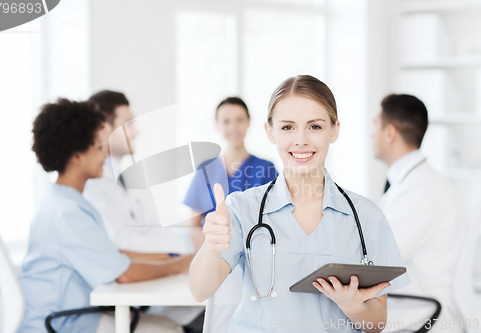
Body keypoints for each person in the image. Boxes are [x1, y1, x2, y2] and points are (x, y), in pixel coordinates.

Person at [189, 75, 411, 333]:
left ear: (334, 130)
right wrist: (212, 247)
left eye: (315, 126)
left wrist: (355, 308)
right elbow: (199, 291)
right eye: (287, 127)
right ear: (269, 132)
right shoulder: (242, 209)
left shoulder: (366, 217)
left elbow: (377, 322)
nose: (301, 140)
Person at [18, 98, 193, 333]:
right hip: (64, 321)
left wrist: (170, 257)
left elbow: (113, 255)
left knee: (168, 324)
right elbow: (125, 273)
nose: (104, 155)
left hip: (71, 313)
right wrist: (178, 264)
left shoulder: (65, 200)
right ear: (76, 156)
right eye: (99, 147)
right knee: (170, 329)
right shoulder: (69, 212)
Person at [83, 90, 204, 331]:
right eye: (128, 124)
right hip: (114, 299)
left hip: (137, 289)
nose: (136, 131)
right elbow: (125, 241)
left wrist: (189, 240)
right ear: (103, 129)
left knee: (209, 309)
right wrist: (189, 244)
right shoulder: (93, 185)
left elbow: (150, 227)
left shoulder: (119, 178)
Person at [372, 94, 468, 332]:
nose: (371, 134)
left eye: (375, 125)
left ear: (390, 133)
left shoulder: (419, 190)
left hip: (425, 317)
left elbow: (378, 260)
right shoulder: (417, 183)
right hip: (415, 312)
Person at [183, 97, 278, 227]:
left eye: (239, 120)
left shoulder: (266, 168)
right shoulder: (205, 169)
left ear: (248, 122)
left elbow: (275, 220)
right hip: (211, 244)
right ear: (217, 125)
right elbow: (193, 227)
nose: (233, 128)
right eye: (226, 121)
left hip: (253, 246)